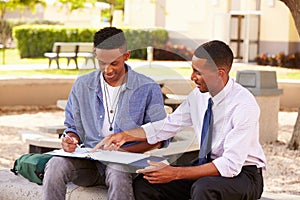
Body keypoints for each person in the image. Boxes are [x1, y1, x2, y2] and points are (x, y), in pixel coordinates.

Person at [94, 40, 267, 200]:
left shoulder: (244, 105)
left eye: (198, 72)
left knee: (203, 188)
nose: (192, 77)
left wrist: (175, 172)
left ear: (219, 73)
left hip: (245, 175)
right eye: (192, 69)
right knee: (146, 184)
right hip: (207, 165)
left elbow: (230, 165)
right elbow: (168, 125)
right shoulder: (198, 97)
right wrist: (125, 136)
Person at [42, 27, 168, 200]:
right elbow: (73, 127)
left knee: (117, 171)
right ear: (95, 54)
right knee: (55, 164)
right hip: (88, 162)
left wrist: (125, 152)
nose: (108, 70)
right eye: (102, 62)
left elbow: (160, 137)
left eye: (114, 63)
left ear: (126, 55)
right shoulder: (82, 85)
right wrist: (71, 139)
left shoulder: (148, 88)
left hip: (124, 163)